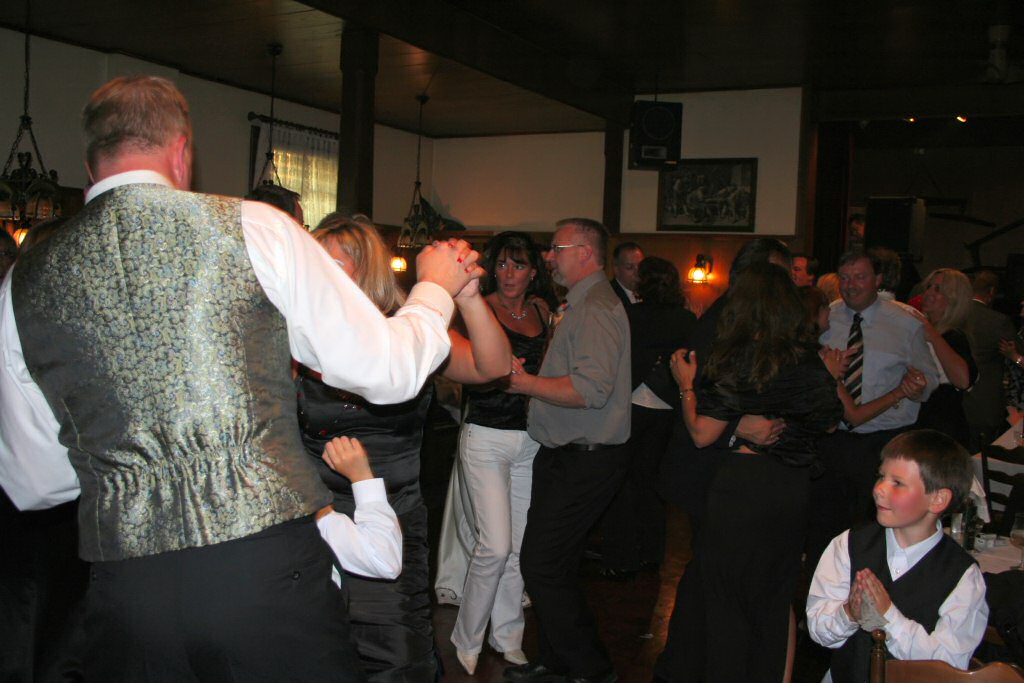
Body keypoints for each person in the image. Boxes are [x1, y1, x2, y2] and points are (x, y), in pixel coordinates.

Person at [0, 75, 482, 682]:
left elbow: (33, 482)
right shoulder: (255, 229)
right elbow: (386, 371)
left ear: (90, 163)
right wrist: (433, 289)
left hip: (125, 586)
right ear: (182, 152)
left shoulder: (23, 281)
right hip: (263, 570)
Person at [296, 213, 510, 682]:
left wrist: (467, 297)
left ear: (368, 268)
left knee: (396, 653)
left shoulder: (408, 332)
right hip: (320, 523)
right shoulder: (302, 336)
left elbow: (494, 367)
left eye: (334, 263)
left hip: (393, 518)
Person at [667, 262, 843, 682]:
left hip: (743, 488)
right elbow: (830, 423)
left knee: (727, 596)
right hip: (790, 488)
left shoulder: (737, 358)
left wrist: (686, 385)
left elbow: (702, 434)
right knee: (776, 594)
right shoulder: (806, 360)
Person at [504, 218, 631, 683]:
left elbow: (590, 390)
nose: (549, 257)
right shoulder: (582, 302)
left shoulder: (596, 307)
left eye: (556, 249)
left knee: (541, 564)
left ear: (584, 252)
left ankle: (591, 668)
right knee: (553, 564)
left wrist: (525, 383)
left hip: (586, 457)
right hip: (569, 454)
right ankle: (557, 662)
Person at [806, 430, 988, 683]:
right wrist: (849, 613)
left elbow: (947, 666)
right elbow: (819, 631)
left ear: (938, 499)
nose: (879, 489)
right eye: (881, 476)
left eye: (897, 483)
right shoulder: (850, 544)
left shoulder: (962, 575)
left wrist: (888, 616)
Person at [450, 231, 554, 675]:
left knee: (519, 547)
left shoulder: (542, 311)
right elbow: (455, 366)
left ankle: (507, 636)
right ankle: (466, 638)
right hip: (486, 435)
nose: (509, 274)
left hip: (530, 438)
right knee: (494, 545)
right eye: (503, 264)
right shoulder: (478, 308)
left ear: (533, 271)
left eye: (519, 265)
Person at [810, 248, 940, 568]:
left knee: (874, 530)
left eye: (860, 277)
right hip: (832, 440)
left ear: (878, 279)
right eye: (844, 278)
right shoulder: (826, 317)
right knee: (824, 528)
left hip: (882, 442)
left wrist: (918, 386)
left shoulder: (904, 322)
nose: (851, 285)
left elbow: (930, 378)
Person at [599, 256, 696, 579]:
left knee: (622, 480)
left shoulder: (630, 314)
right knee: (652, 482)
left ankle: (623, 555)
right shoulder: (685, 319)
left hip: (631, 404)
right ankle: (653, 552)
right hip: (666, 407)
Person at [908, 269, 977, 448]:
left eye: (938, 289)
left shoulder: (954, 337)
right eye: (929, 287)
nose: (929, 293)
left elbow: (963, 380)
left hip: (940, 431)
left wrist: (932, 334)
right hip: (918, 426)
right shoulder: (920, 331)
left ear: (954, 299)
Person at [963, 270, 1017, 450]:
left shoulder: (954, 314)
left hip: (956, 403)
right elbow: (1018, 352)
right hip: (985, 402)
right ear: (992, 291)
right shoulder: (998, 321)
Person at [610, 241, 643, 305]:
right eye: (630, 267)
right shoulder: (609, 296)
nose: (637, 273)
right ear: (616, 269)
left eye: (641, 266)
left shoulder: (649, 291)